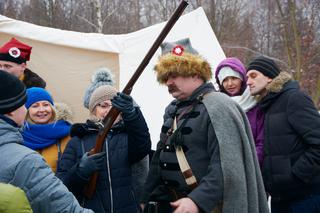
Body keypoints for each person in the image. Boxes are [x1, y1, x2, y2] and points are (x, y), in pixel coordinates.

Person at [141, 38, 269, 213]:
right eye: (165, 77)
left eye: (174, 75)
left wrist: (197, 200)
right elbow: (159, 158)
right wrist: (146, 196)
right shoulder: (172, 109)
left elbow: (226, 166)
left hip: (208, 207)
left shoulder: (220, 106)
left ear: (195, 72)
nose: (169, 82)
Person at [0, 70, 93, 213]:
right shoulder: (25, 156)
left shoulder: (70, 135)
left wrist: (80, 170)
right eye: (33, 105)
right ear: (11, 110)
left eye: (46, 104)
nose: (42, 110)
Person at [57, 83, 151, 212]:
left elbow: (143, 146)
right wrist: (80, 171)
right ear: (93, 110)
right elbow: (62, 184)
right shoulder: (77, 141)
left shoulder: (129, 136)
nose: (109, 110)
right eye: (103, 105)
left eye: (114, 105)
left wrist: (133, 115)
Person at [246, 56, 320, 213]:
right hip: (280, 198)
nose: (248, 82)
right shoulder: (265, 106)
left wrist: (295, 176)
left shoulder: (294, 98)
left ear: (269, 77)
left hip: (305, 197)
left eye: (254, 75)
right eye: (246, 77)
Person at [215, 57, 264, 166]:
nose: (230, 84)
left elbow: (262, 142)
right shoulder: (217, 105)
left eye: (233, 78)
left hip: (253, 165)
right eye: (225, 80)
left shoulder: (256, 103)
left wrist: (247, 164)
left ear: (242, 78)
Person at [22, 87, 72, 173]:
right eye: (35, 106)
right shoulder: (19, 135)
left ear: (52, 108)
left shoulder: (67, 134)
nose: (42, 110)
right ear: (27, 110)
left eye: (45, 104)